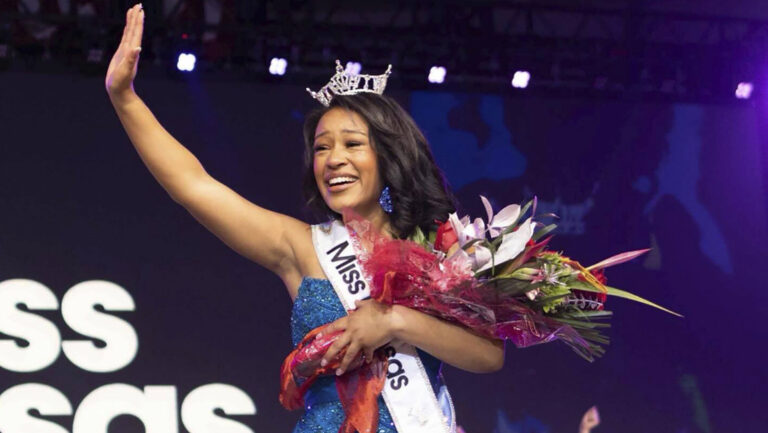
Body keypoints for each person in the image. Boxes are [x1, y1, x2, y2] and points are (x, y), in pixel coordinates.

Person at [106, 4, 504, 432]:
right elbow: (193, 185)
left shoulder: (440, 250)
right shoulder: (300, 245)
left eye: (352, 144)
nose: (333, 160)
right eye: (321, 148)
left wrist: (394, 321)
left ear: (390, 157)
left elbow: (488, 356)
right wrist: (124, 98)